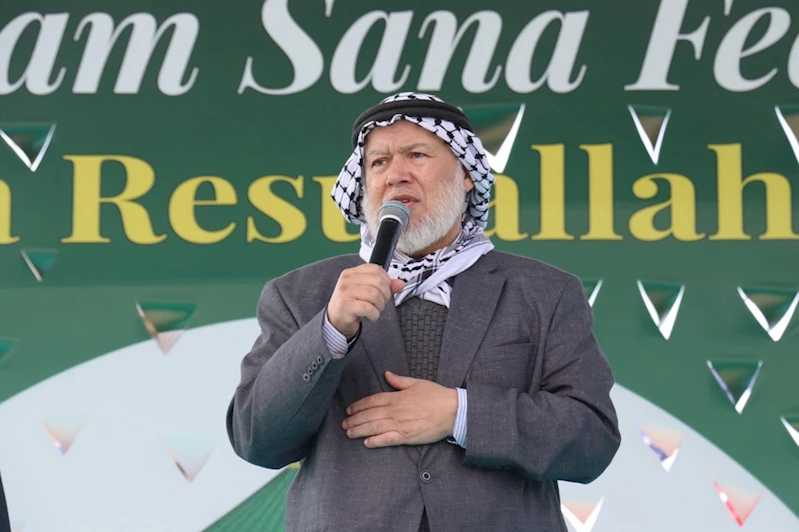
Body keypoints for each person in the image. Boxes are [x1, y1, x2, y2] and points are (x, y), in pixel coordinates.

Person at [226, 92, 621, 531]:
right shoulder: (301, 295)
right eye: (378, 162)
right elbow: (255, 438)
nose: (396, 174)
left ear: (467, 175)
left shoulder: (545, 292)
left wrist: (459, 414)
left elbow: (591, 440)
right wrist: (330, 331)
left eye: (417, 154)